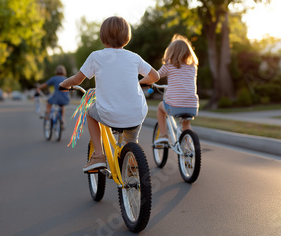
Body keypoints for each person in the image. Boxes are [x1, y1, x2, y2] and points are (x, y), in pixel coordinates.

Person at [60, 16, 159, 171]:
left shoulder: (96, 56)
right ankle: (132, 164)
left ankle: (99, 155)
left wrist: (63, 84)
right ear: (127, 37)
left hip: (109, 115)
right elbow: (156, 76)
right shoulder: (134, 57)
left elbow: (77, 80)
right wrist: (140, 83)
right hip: (136, 113)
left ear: (103, 36)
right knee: (131, 142)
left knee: (89, 111)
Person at [142, 34, 199, 145]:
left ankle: (164, 135)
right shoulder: (193, 67)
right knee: (186, 125)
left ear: (171, 52)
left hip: (176, 105)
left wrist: (140, 82)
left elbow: (155, 76)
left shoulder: (169, 66)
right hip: (192, 105)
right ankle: (192, 147)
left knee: (160, 107)